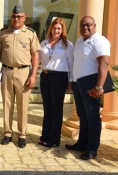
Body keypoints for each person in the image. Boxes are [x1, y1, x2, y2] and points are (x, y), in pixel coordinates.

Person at [0, 4, 41, 148]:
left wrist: (33, 76)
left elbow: (35, 55)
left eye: (19, 16)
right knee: (7, 104)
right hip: (6, 71)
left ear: (24, 18)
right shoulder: (3, 33)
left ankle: (22, 134)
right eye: (14, 16)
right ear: (11, 17)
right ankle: (7, 133)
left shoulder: (30, 34)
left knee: (23, 105)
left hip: (24, 73)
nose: (16, 19)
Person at [65, 16, 110, 160]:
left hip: (91, 85)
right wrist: (72, 81)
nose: (85, 28)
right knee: (82, 115)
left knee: (92, 117)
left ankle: (92, 148)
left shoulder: (99, 41)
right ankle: (82, 143)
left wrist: (99, 87)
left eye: (88, 25)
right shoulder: (79, 41)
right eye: (82, 25)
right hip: (79, 84)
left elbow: (104, 64)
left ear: (94, 26)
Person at [38, 18, 74, 147]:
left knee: (56, 109)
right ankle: (45, 136)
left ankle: (54, 139)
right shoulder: (44, 43)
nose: (56, 30)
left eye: (59, 28)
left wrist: (71, 81)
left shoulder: (68, 45)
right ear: (51, 29)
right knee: (47, 108)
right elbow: (39, 59)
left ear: (62, 30)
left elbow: (72, 64)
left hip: (59, 77)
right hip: (45, 76)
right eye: (54, 28)